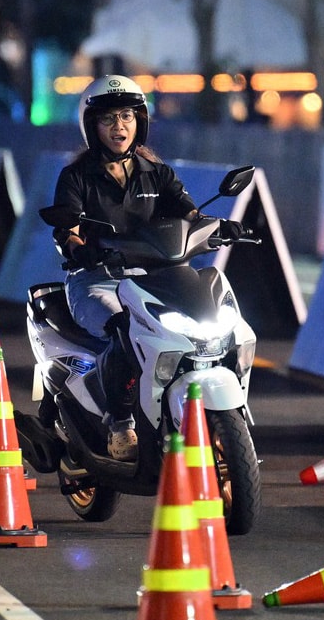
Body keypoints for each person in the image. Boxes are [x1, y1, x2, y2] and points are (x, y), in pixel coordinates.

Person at [49, 75, 241, 462]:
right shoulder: (76, 177)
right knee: (124, 328)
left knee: (208, 319)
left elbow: (191, 214)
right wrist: (78, 247)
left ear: (140, 121)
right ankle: (120, 423)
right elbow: (67, 227)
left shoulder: (158, 173)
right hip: (97, 280)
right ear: (91, 126)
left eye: (126, 116)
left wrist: (222, 227)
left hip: (157, 278)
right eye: (108, 119)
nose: (118, 126)